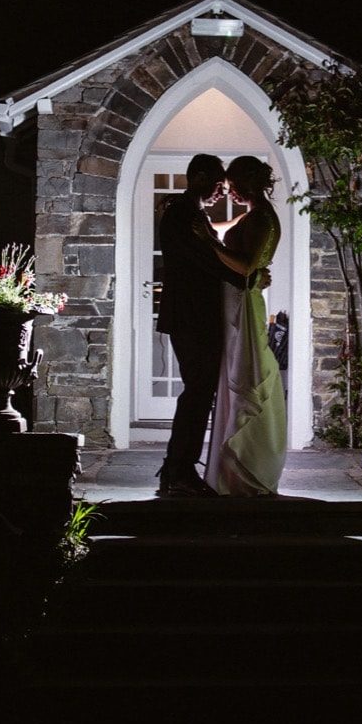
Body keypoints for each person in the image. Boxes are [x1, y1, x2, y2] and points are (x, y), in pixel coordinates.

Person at [155, 154, 243, 498]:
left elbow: (207, 252)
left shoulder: (189, 212)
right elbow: (202, 261)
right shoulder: (182, 213)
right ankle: (179, 468)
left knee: (199, 392)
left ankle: (178, 466)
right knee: (197, 393)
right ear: (201, 176)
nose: (221, 191)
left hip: (194, 315)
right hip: (191, 316)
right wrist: (245, 278)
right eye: (218, 182)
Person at [201, 155, 286, 497]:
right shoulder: (254, 216)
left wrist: (208, 244)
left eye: (232, 184)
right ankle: (235, 464)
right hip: (239, 299)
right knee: (236, 372)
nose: (228, 191)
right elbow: (227, 232)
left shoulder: (262, 219)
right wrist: (208, 229)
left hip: (245, 302)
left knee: (245, 374)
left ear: (245, 183)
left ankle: (249, 462)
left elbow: (248, 265)